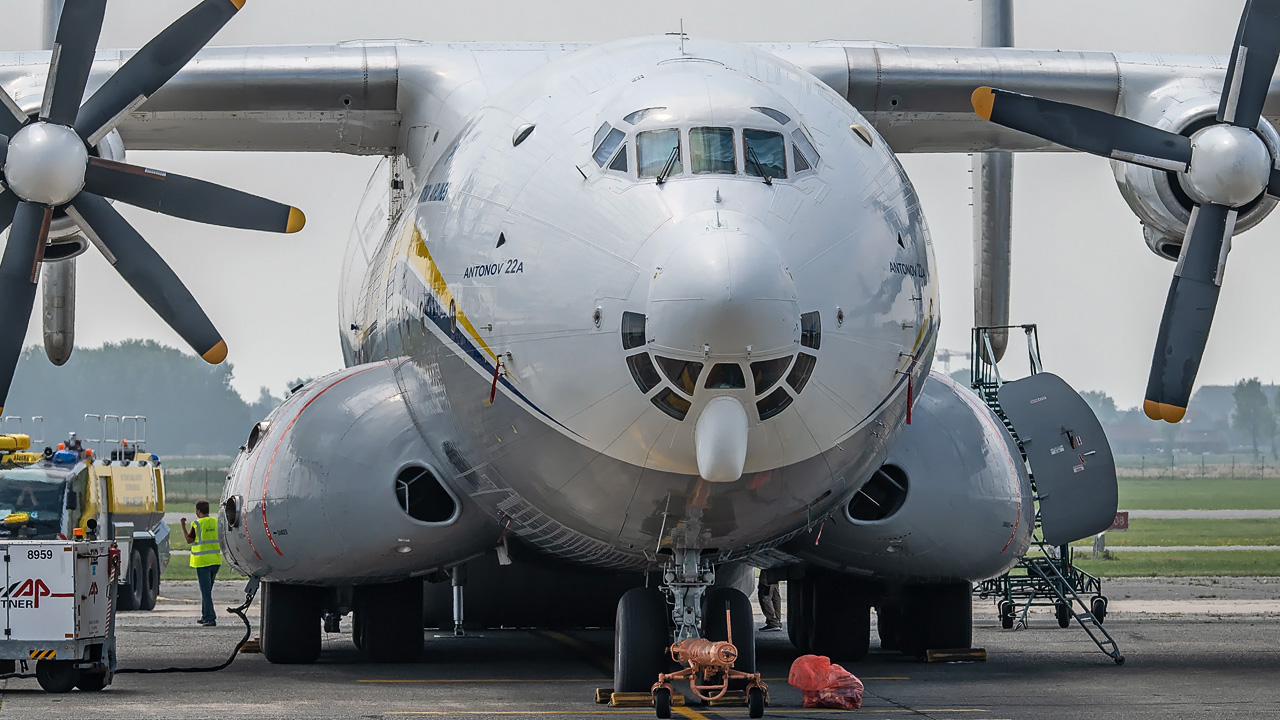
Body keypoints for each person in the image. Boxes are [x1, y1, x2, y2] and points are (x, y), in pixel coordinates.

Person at [182, 500, 223, 626]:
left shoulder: (197, 524)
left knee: (205, 592)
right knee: (207, 591)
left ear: (198, 511)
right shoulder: (216, 522)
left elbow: (189, 539)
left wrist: (183, 526)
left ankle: (211, 618)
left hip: (203, 562)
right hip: (215, 561)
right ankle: (205, 615)